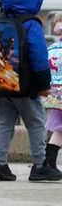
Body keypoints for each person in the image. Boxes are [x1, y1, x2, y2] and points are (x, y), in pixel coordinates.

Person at [0, 0, 62, 181]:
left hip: (2, 83)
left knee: (4, 124)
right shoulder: (31, 23)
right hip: (25, 87)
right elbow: (39, 57)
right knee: (36, 123)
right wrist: (43, 84)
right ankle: (40, 166)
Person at [44, 12, 62, 171]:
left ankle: (49, 161)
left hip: (56, 94)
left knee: (59, 130)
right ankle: (48, 162)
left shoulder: (53, 47)